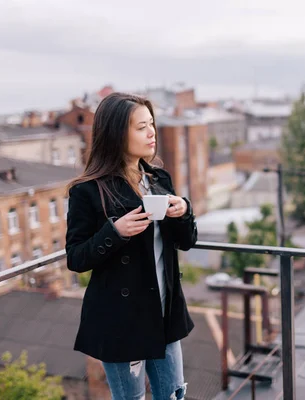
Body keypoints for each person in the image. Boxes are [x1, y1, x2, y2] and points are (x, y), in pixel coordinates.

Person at [65, 92, 197, 400]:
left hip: (164, 315)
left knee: (173, 395)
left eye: (151, 124)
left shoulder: (158, 179)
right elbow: (76, 257)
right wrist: (115, 232)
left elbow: (186, 242)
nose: (152, 132)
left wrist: (184, 211)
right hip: (121, 321)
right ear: (116, 133)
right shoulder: (88, 191)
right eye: (141, 127)